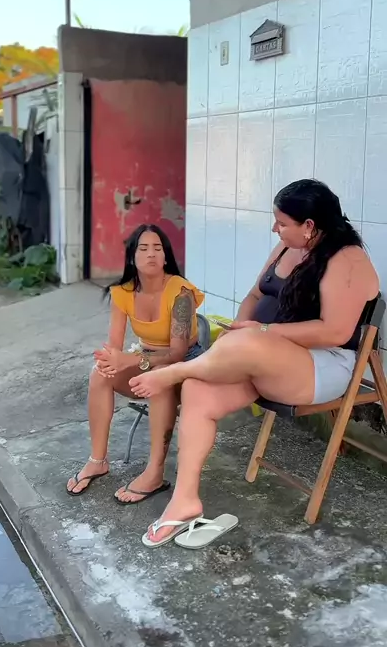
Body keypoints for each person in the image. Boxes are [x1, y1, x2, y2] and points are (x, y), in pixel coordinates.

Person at [129, 180, 379, 546]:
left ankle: (175, 371)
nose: (275, 229)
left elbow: (335, 331)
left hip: (320, 366)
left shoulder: (347, 259)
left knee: (241, 344)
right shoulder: (288, 246)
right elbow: (253, 294)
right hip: (265, 359)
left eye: (282, 223)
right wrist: (239, 334)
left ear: (309, 226)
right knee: (198, 387)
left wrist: (260, 332)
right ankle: (184, 502)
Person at [66, 223, 204, 503]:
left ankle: (155, 473)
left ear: (166, 257)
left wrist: (128, 359)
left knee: (160, 377)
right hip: (146, 358)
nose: (151, 253)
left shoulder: (181, 293)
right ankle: (97, 460)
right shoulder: (123, 293)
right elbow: (114, 347)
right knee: (100, 374)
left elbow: (177, 353)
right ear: (132, 256)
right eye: (143, 248)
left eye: (158, 248)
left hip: (185, 364)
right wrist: (110, 361)